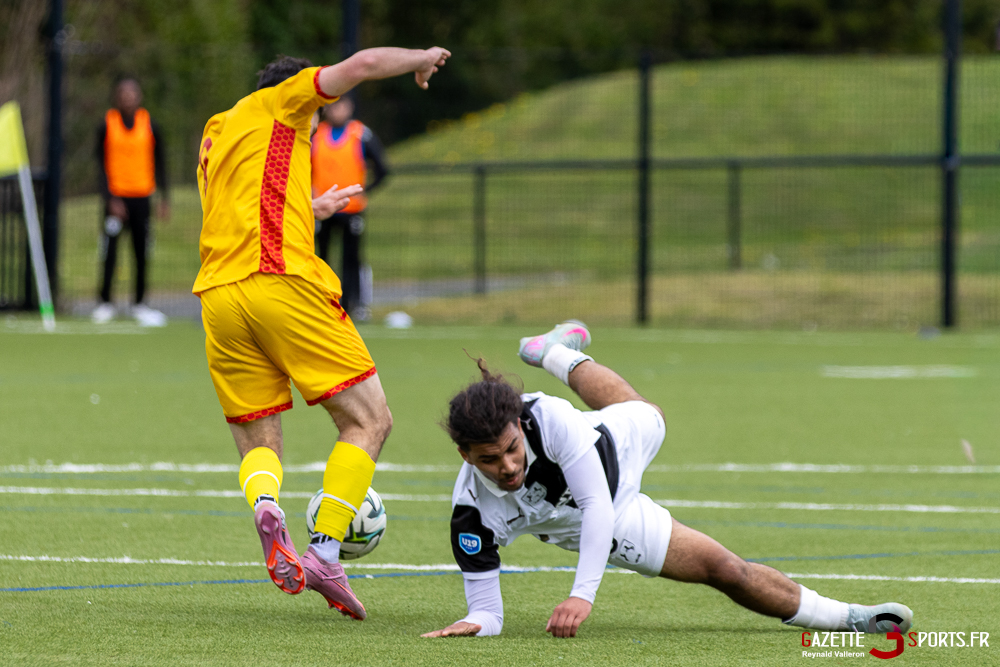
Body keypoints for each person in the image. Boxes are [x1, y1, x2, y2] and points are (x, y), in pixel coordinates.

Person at [423, 321, 914, 638]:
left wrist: (581, 594)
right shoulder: (471, 514)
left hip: (610, 459)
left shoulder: (550, 419)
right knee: (723, 568)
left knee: (644, 411)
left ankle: (551, 353)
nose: (508, 467)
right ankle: (849, 617)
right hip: (592, 522)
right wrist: (475, 623)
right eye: (489, 460)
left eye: (512, 450)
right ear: (464, 454)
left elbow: (596, 503)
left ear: (520, 429)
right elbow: (487, 612)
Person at [194, 47, 450, 619]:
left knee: (260, 441)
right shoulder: (288, 101)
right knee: (369, 419)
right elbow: (358, 65)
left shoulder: (218, 130)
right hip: (279, 283)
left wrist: (308, 207)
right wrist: (421, 58)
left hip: (218, 299)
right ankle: (326, 550)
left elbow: (239, 208)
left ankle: (266, 506)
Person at [92, 77, 170, 327]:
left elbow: (161, 163)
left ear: (139, 96)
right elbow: (99, 165)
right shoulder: (106, 125)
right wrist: (109, 198)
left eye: (132, 93)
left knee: (141, 252)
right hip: (115, 199)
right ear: (116, 97)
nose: (127, 97)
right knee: (110, 251)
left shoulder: (150, 125)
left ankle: (139, 303)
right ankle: (105, 302)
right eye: (122, 93)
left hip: (142, 198)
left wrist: (164, 198)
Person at [311, 96, 388, 320]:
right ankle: (321, 302)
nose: (337, 110)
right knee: (320, 257)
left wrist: (366, 190)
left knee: (351, 259)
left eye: (341, 105)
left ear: (350, 107)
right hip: (321, 208)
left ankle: (353, 304)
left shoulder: (361, 133)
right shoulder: (316, 134)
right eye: (333, 106)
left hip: (351, 208)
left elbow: (383, 168)